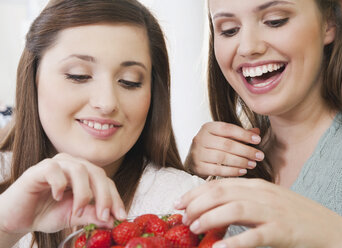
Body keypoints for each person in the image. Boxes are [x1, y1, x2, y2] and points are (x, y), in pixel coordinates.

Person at [0, 0, 204, 247]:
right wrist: (5, 227)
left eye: (130, 81)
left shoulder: (185, 202)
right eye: (79, 76)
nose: (107, 103)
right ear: (33, 78)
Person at [176, 0, 342, 247]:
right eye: (228, 30)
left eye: (275, 21)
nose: (248, 47)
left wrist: (339, 238)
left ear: (330, 21)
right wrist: (190, 176)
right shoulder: (221, 163)